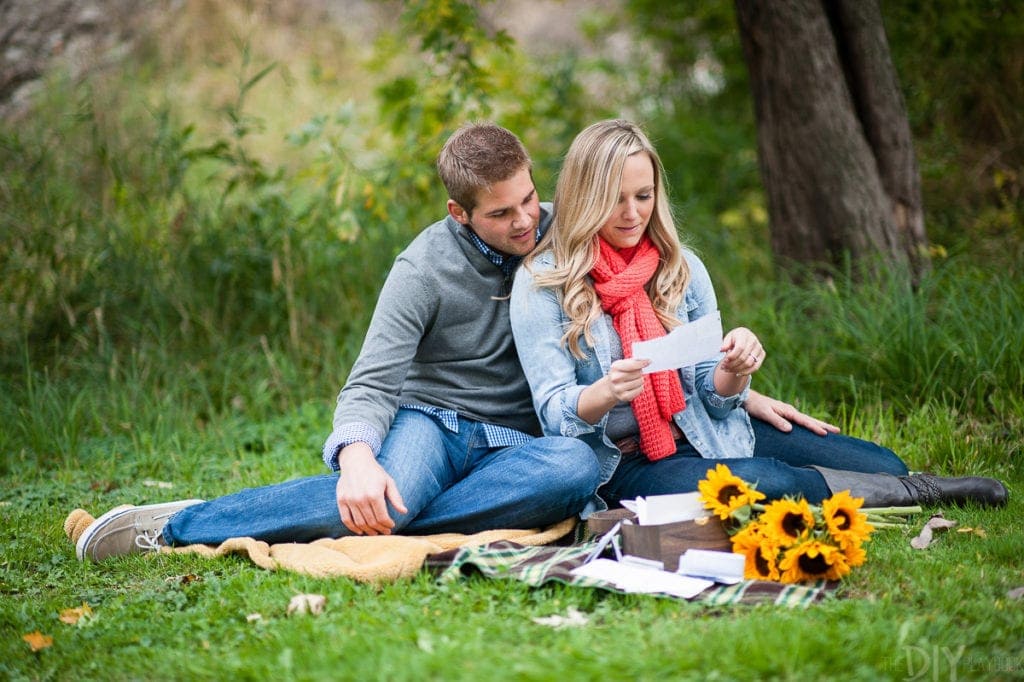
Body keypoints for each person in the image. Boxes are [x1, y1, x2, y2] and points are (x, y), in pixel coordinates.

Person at [74, 122, 887, 562]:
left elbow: (638, 319)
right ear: (462, 215)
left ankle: (393, 517)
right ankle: (181, 525)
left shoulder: (560, 237)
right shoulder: (421, 270)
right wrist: (359, 456)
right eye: (504, 215)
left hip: (525, 441)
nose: (528, 222)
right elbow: (370, 383)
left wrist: (738, 385)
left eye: (532, 200)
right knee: (381, 494)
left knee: (572, 472)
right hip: (435, 422)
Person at [509, 118, 1008, 513]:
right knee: (771, 481)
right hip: (627, 463)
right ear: (585, 196)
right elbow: (555, 414)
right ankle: (916, 495)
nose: (633, 213)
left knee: (881, 461)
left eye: (643, 196)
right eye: (615, 199)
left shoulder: (679, 266)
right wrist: (605, 392)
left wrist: (733, 370)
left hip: (706, 428)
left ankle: (886, 483)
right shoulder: (545, 283)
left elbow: (716, 395)